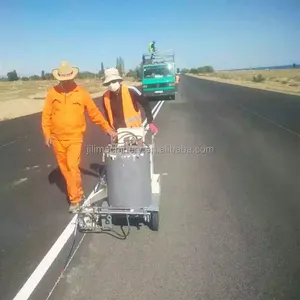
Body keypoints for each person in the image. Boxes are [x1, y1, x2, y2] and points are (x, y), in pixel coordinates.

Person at [41, 61, 116, 213]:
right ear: (59, 78)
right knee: (65, 170)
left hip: (75, 137)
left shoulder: (81, 93)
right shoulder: (52, 93)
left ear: (72, 76)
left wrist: (108, 129)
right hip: (57, 139)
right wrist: (47, 134)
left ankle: (75, 201)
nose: (65, 80)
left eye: (68, 77)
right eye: (62, 78)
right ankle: (78, 192)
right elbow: (46, 115)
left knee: (72, 167)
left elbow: (94, 113)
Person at [102, 68, 158, 135]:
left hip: (135, 130)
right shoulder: (105, 97)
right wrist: (109, 130)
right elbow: (107, 115)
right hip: (117, 133)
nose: (111, 84)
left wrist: (150, 122)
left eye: (113, 81)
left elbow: (145, 104)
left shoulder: (131, 90)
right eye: (108, 83)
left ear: (119, 81)